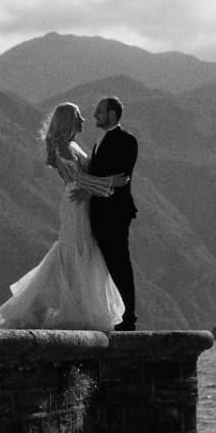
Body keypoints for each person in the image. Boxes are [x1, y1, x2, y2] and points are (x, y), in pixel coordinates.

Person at [0, 103, 130, 330]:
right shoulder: (65, 148)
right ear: (69, 121)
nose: (83, 120)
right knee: (74, 249)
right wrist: (111, 182)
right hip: (76, 203)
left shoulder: (69, 145)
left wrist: (105, 184)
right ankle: (59, 306)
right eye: (79, 116)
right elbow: (79, 179)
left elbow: (84, 181)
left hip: (81, 201)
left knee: (76, 250)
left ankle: (65, 304)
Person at [84, 96, 139, 331]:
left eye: (100, 112)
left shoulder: (127, 141)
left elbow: (122, 178)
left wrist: (92, 182)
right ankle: (112, 315)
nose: (95, 115)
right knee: (106, 265)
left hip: (116, 212)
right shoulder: (98, 141)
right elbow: (109, 178)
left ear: (113, 115)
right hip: (98, 212)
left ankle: (127, 319)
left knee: (119, 264)